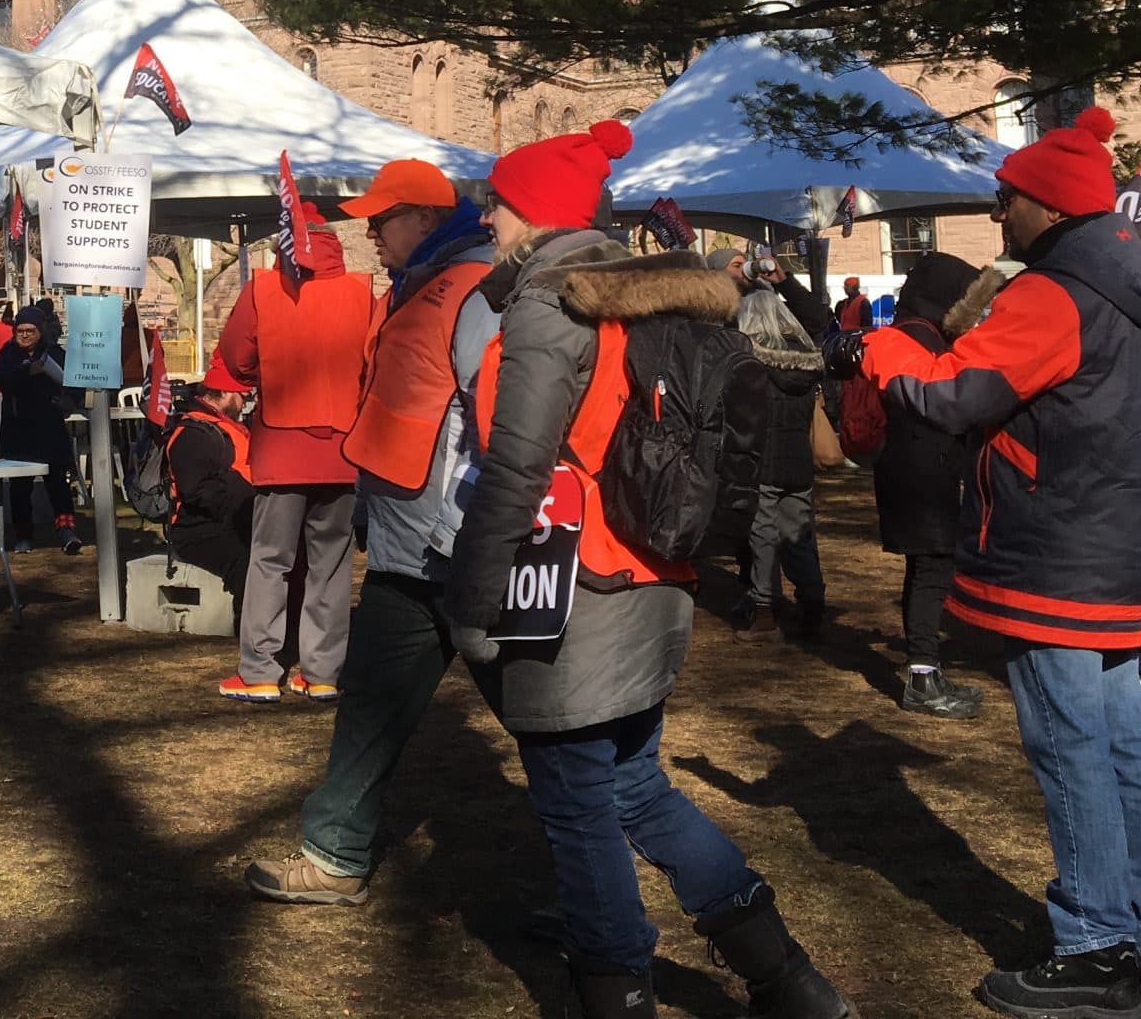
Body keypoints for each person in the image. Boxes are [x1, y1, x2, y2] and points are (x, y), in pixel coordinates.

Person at [441, 129, 852, 1017]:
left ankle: (617, 987)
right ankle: (788, 979)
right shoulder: (655, 298)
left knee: (578, 805)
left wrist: (469, 601)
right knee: (634, 784)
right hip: (659, 570)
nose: (485, 215)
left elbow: (519, 463)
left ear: (537, 215)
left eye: (498, 203)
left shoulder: (551, 305)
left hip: (571, 589)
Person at [860, 107, 1141, 1017]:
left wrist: (881, 348)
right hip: (1112, 543)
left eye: (1007, 199)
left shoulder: (1053, 292)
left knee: (1073, 748)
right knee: (1121, 748)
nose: (998, 213)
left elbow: (951, 394)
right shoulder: (1135, 285)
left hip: (1052, 553)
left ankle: (1093, 945)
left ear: (1047, 205)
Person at [246, 156, 496, 892]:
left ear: (424, 218)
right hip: (408, 548)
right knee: (370, 703)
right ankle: (334, 854)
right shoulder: (413, 289)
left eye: (383, 221)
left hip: (456, 549)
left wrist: (465, 534)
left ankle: (619, 890)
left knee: (557, 736)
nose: (372, 236)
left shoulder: (472, 291)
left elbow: (496, 421)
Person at [216, 201, 374, 703]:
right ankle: (323, 670)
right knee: (331, 565)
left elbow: (234, 357)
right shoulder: (364, 292)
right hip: (345, 450)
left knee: (270, 561)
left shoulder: (263, 289)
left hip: (283, 449)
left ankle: (261, 669)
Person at [852, 252, 992, 719]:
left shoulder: (906, 337)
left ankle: (926, 668)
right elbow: (940, 408)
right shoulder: (919, 345)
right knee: (932, 571)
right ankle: (922, 674)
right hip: (924, 476)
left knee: (926, 570)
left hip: (911, 470)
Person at [713, 246, 829, 642]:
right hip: (797, 460)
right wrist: (784, 282)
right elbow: (817, 318)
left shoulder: (745, 361)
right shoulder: (804, 359)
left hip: (758, 459)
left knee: (761, 536)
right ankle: (813, 601)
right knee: (799, 535)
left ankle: (764, 611)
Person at [0, 302, 82, 554]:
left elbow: (74, 383)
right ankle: (23, 535)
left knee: (58, 483)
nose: (25, 335)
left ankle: (66, 529)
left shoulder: (55, 353)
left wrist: (69, 401)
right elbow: (0, 380)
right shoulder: (8, 353)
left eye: (31, 330)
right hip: (18, 430)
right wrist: (26, 371)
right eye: (21, 330)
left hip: (49, 428)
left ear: (41, 331)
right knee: (20, 487)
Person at [161, 362, 255, 588]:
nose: (244, 403)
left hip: (238, 519)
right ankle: (247, 620)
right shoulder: (193, 434)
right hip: (198, 530)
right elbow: (197, 490)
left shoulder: (223, 427)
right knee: (248, 561)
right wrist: (246, 498)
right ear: (223, 392)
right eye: (241, 396)